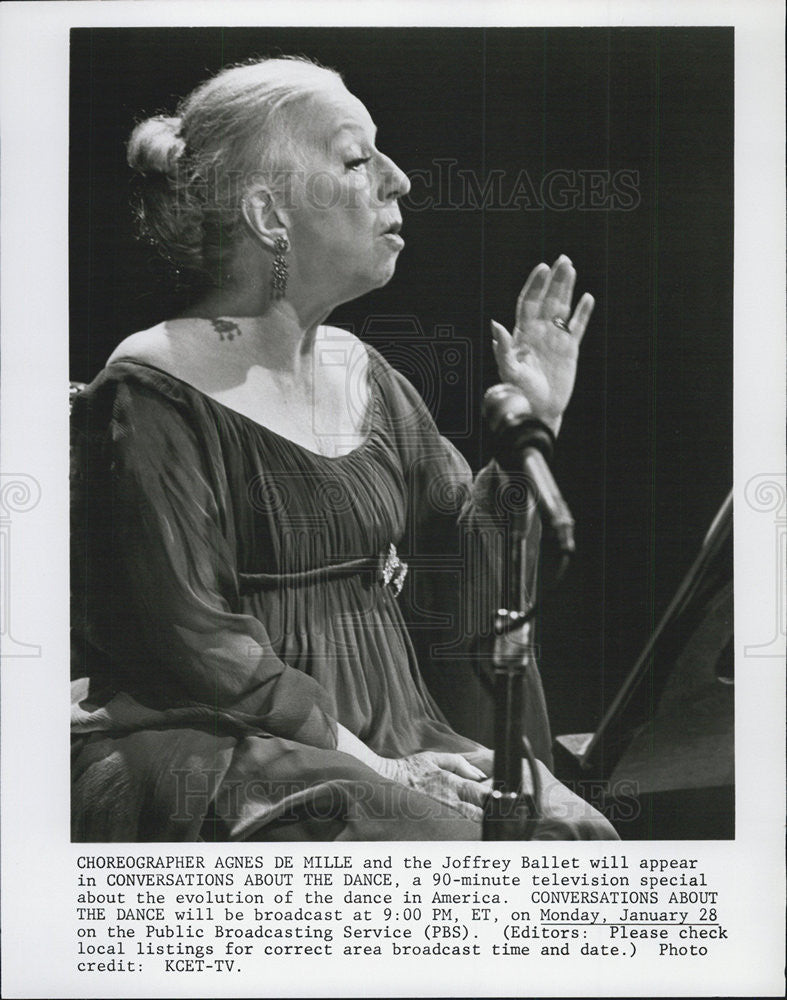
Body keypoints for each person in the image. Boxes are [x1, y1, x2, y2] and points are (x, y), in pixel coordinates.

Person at [70, 56, 617, 841]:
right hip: (251, 747)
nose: (397, 179)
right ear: (269, 214)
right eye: (358, 159)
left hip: (396, 731)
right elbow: (194, 644)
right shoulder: (152, 390)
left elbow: (463, 560)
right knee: (474, 862)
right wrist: (378, 767)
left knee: (577, 841)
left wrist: (532, 431)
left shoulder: (368, 372)